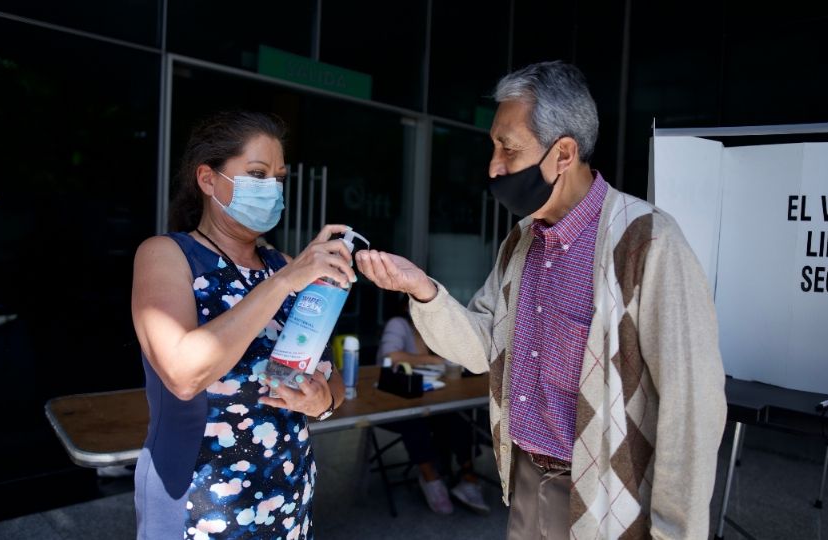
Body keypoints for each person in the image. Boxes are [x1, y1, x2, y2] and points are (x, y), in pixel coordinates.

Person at [356, 61, 727, 539]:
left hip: (611, 500)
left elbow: (692, 404)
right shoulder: (521, 241)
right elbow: (482, 350)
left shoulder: (647, 242)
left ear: (564, 153)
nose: (493, 166)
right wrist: (422, 290)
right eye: (494, 147)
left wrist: (675, 532)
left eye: (507, 148)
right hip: (526, 480)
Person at [131, 110, 356, 539]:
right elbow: (182, 374)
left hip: (287, 493)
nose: (272, 188)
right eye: (257, 174)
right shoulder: (167, 255)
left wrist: (321, 401)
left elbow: (330, 380)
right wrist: (284, 282)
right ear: (208, 179)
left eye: (279, 177)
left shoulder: (284, 264)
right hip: (197, 501)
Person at [375, 294, 490, 516]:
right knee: (412, 417)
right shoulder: (399, 324)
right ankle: (430, 477)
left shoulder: (434, 332)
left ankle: (468, 477)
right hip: (396, 400)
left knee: (457, 414)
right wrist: (434, 360)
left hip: (432, 396)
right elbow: (390, 356)